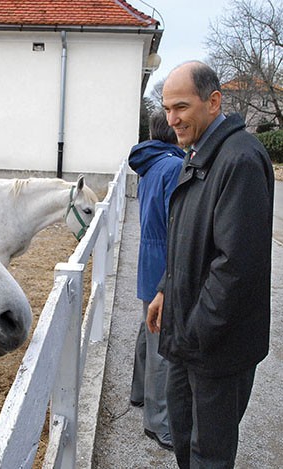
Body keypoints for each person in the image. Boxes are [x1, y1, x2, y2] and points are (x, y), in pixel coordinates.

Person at [147, 61, 274, 468]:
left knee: (210, 454)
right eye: (167, 109)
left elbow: (236, 265)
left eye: (181, 107)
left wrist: (197, 329)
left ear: (214, 101)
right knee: (184, 439)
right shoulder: (198, 152)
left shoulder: (240, 160)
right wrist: (166, 289)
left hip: (217, 347)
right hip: (188, 337)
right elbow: (184, 237)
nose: (172, 119)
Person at [128, 110, 185, 451]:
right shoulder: (174, 166)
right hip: (164, 258)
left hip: (148, 255)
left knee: (146, 331)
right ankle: (157, 422)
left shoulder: (150, 164)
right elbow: (176, 223)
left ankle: (138, 394)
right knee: (161, 346)